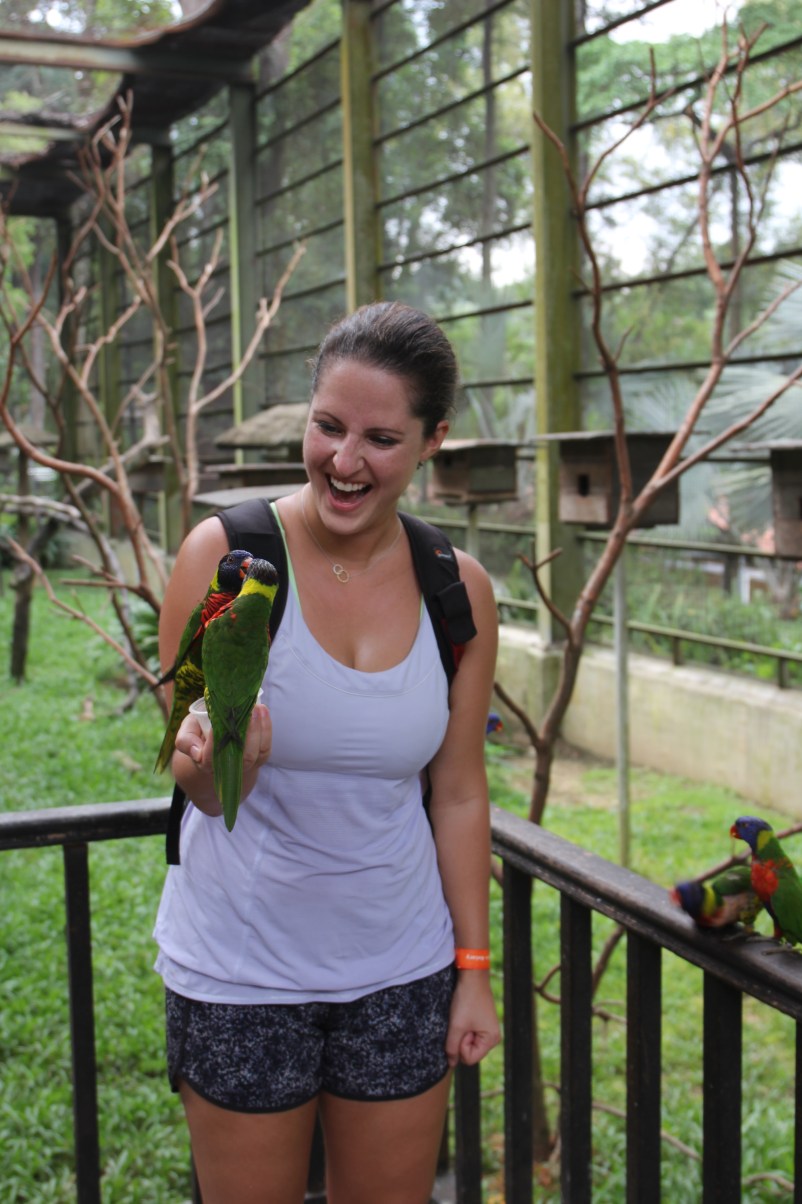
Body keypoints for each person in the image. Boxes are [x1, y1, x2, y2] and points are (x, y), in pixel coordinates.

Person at [153, 301, 501, 1204]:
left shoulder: (456, 589)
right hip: (239, 970)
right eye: (328, 426)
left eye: (382, 437)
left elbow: (459, 793)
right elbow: (193, 773)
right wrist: (220, 768)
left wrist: (473, 973)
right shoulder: (224, 558)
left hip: (403, 969)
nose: (345, 463)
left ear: (433, 442)